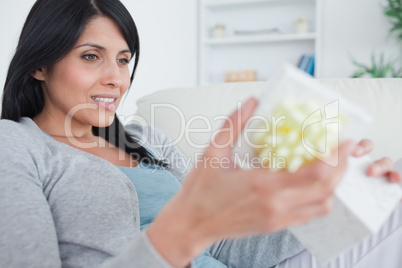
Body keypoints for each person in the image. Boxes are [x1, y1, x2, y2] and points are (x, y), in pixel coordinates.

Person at [0, 0, 400, 267]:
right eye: (91, 56)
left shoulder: (144, 138)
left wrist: (329, 201)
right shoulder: (16, 146)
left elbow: (225, 247)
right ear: (39, 64)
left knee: (391, 190)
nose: (115, 79)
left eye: (123, 60)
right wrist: (183, 230)